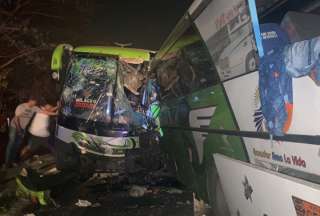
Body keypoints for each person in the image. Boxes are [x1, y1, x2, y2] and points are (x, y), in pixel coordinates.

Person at [5, 96, 40, 167]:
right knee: (11, 143)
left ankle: (13, 161)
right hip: (14, 127)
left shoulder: (34, 108)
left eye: (35, 103)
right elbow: (16, 119)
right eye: (33, 102)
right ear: (30, 100)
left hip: (22, 129)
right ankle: (6, 163)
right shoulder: (21, 107)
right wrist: (19, 130)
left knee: (17, 145)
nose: (34, 104)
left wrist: (56, 109)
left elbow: (44, 111)